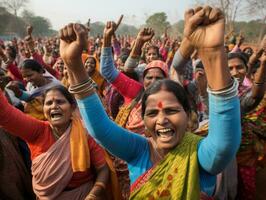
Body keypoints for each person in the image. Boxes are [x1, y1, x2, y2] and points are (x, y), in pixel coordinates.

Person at [59, 5, 241, 199]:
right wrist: (73, 65)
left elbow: (224, 145)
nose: (162, 119)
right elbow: (100, 129)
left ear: (188, 115)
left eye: (171, 111)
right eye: (152, 113)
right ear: (143, 120)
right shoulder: (139, 150)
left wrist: (213, 53)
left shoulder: (200, 154)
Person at [0, 85, 111, 199]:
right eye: (48, 103)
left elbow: (102, 169)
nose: (54, 106)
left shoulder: (85, 134)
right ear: (43, 109)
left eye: (60, 102)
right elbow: (4, 113)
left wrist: (93, 194)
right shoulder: (37, 131)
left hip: (82, 195)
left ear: (72, 107)